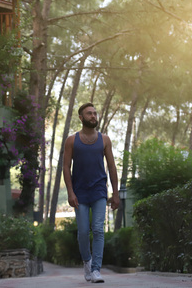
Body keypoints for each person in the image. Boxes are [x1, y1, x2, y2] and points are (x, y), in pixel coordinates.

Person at [63, 102, 120, 283]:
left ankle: (96, 270)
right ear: (81, 118)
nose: (93, 116)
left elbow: (111, 167)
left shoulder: (105, 140)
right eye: (89, 114)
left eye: (95, 113)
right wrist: (70, 192)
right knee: (82, 232)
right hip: (79, 192)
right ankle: (87, 262)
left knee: (98, 229)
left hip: (99, 191)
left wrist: (116, 193)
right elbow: (66, 167)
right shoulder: (72, 140)